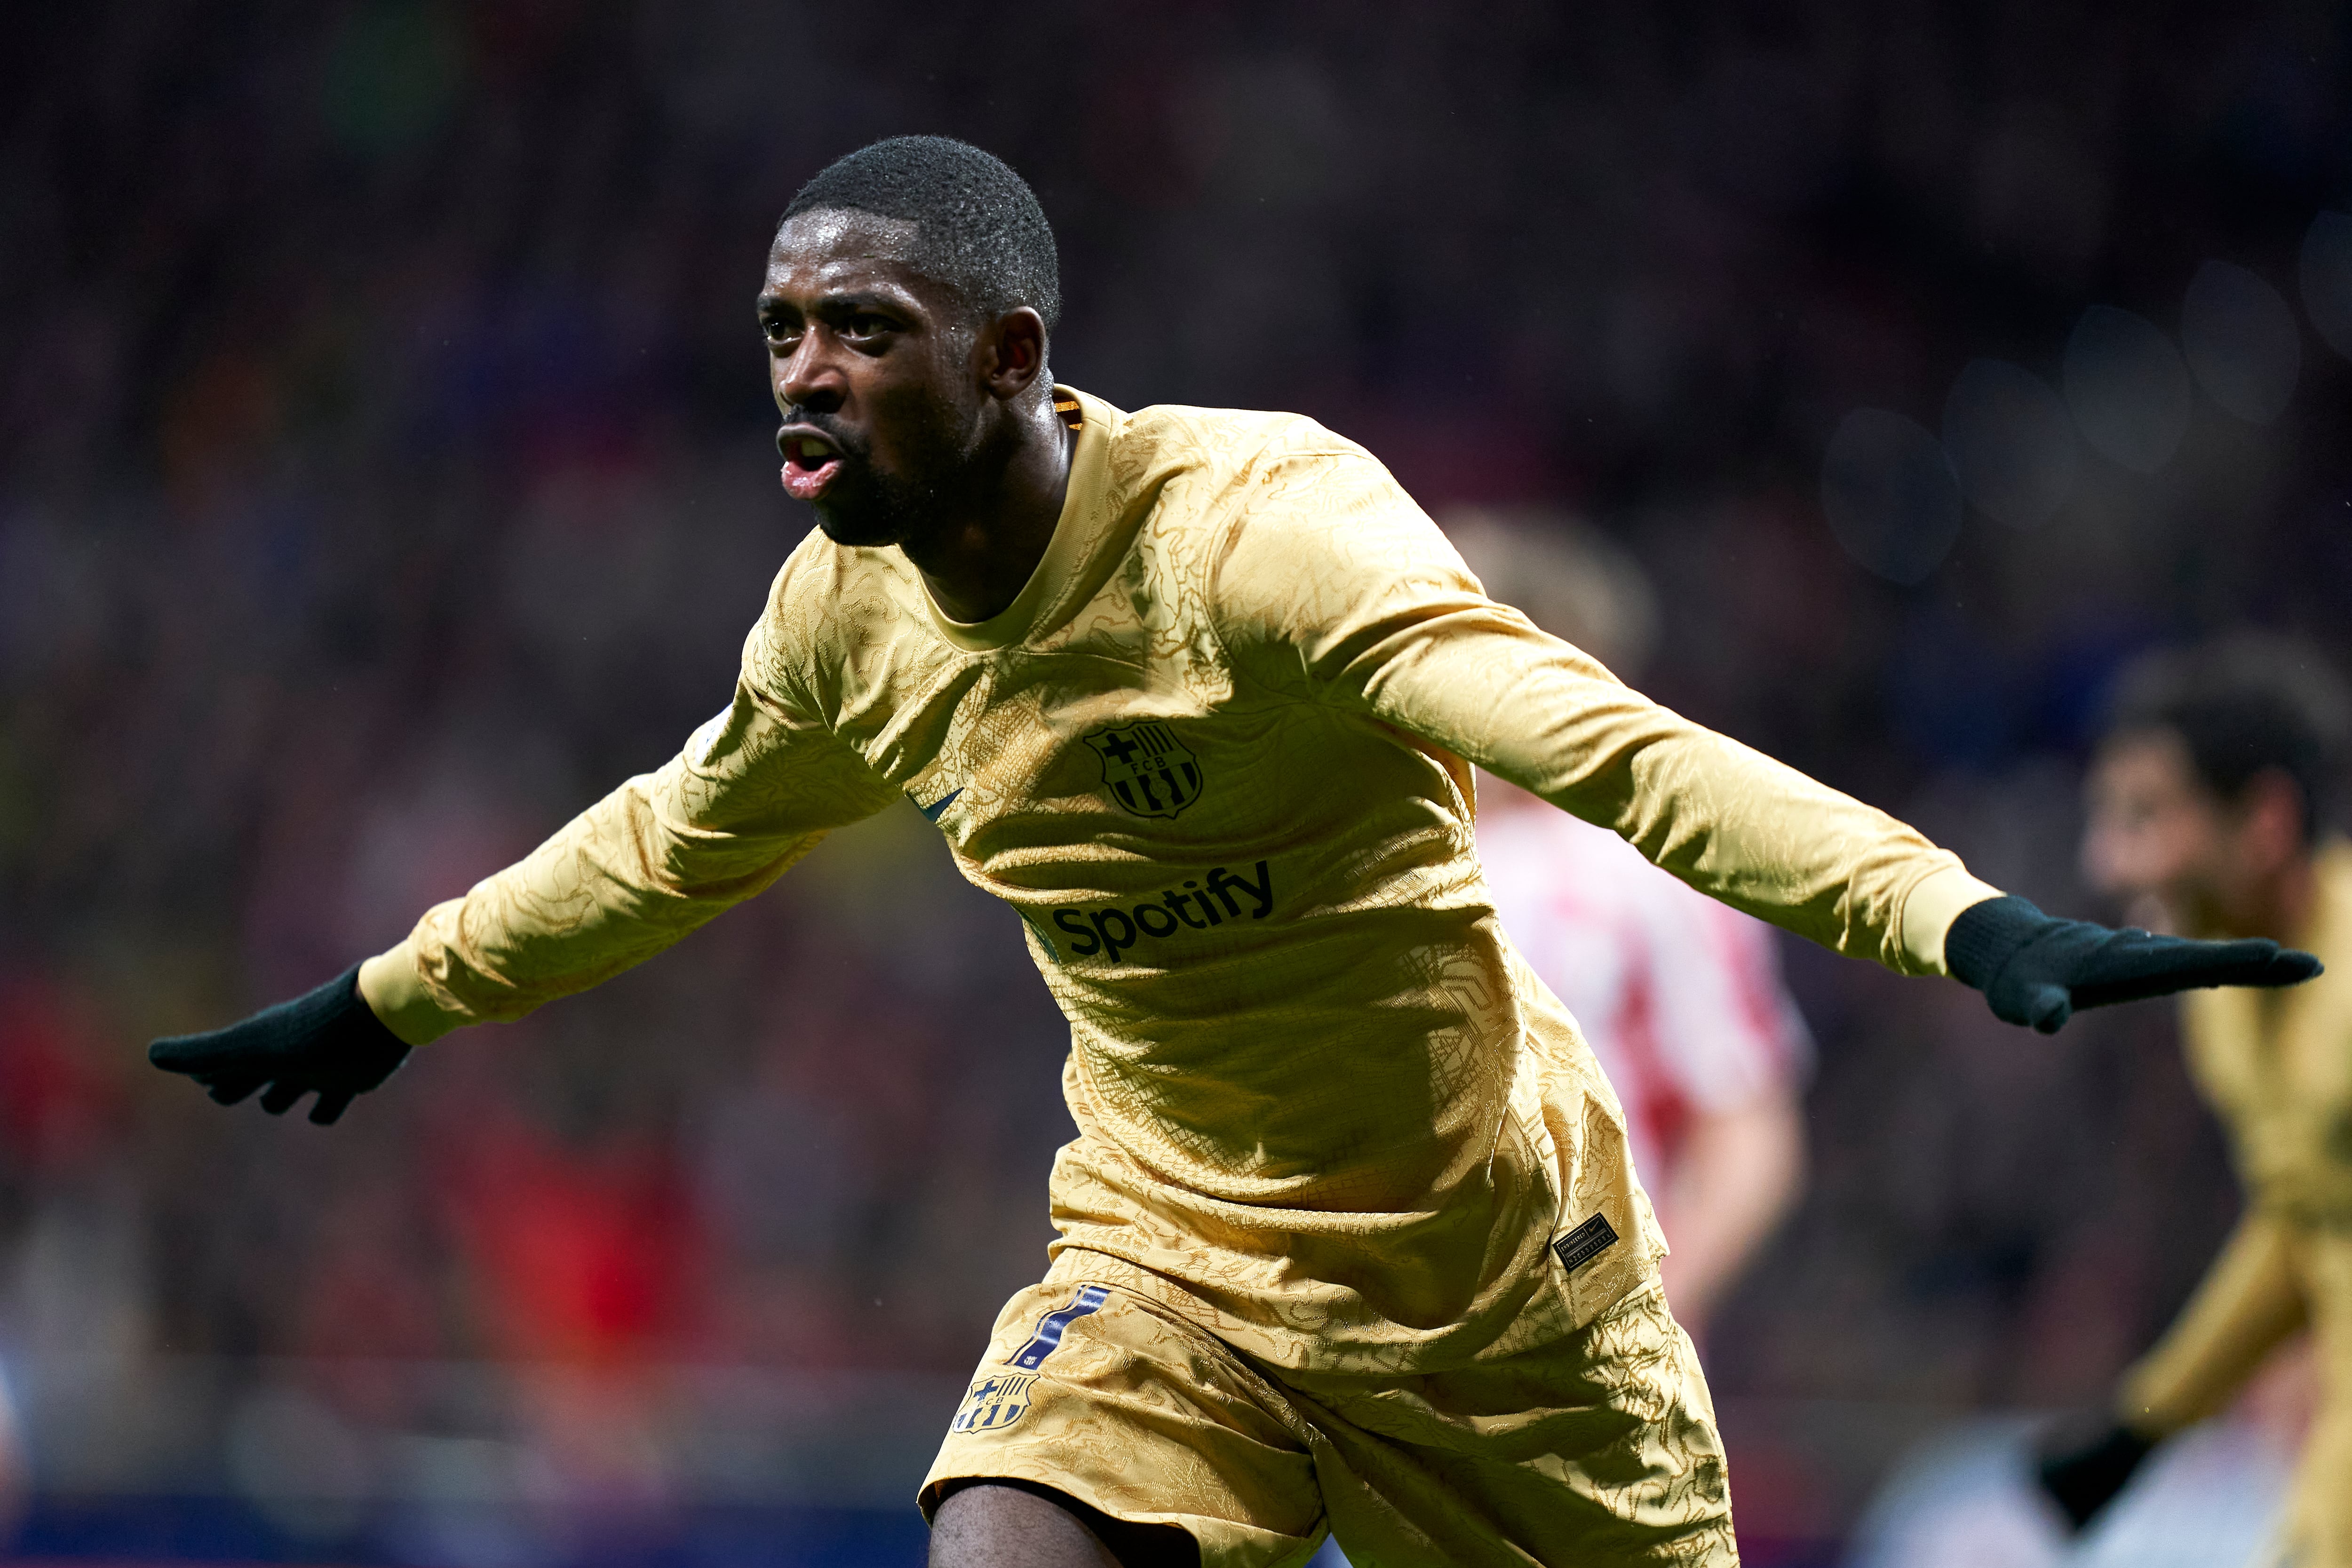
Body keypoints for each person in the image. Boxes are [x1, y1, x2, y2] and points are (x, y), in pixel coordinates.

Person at [147, 137, 2318, 1568]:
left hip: (1501, 1293)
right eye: (781, 335)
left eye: (861, 335)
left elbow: (1615, 749)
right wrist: (394, 994)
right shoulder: (843, 620)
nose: (801, 381)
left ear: (1011, 356)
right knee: (1003, 1535)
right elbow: (672, 841)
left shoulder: (1262, 539)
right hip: (1174, 1269)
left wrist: (1955, 916)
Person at [1449, 512, 1808, 1344]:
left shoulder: (1641, 873)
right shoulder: (1382, 855)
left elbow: (1749, 1134)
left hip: (1574, 1364)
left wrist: (1635, 1304)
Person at [2048, 636, 2352, 1566]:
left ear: (2263, 820)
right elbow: (2305, 1223)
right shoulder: (2224, 993)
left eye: (2143, 817)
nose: (2105, 861)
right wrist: (2152, 1416)